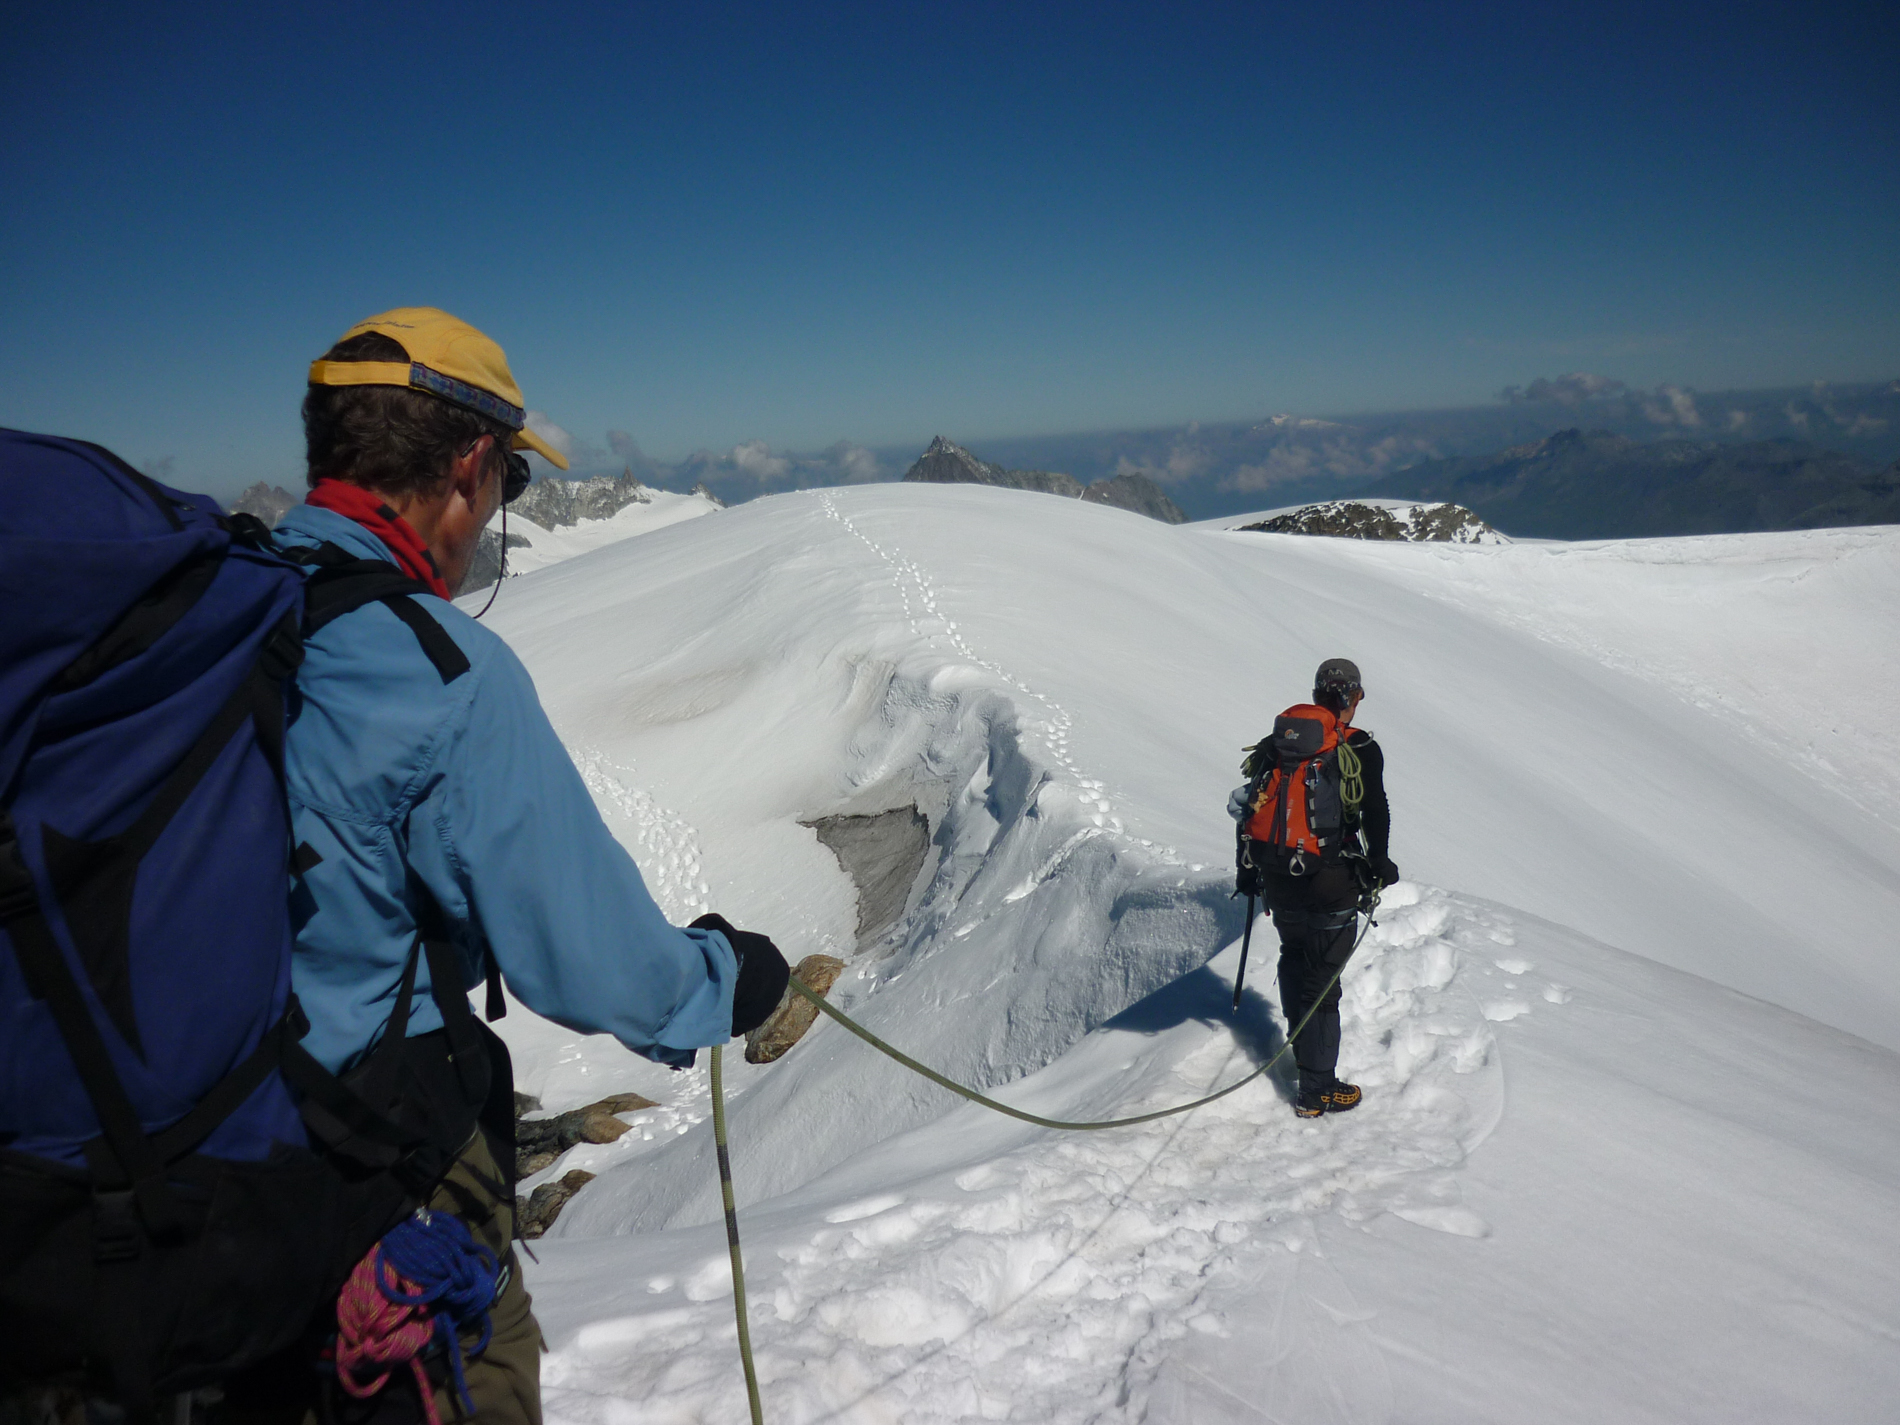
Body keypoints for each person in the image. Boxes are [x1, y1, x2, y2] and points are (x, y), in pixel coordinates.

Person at [227, 307, 792, 1424]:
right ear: (470, 465)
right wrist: (726, 980)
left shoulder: (215, 610)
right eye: (510, 483)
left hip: (161, 1171)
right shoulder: (441, 675)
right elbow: (586, 956)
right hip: (367, 1178)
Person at [1230, 658, 1397, 1119]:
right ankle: (1316, 1090)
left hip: (1278, 875)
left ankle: (1303, 1051)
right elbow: (1374, 810)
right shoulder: (1359, 747)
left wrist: (1247, 870)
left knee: (1294, 954)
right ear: (1352, 698)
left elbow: (1249, 807)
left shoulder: (1278, 744)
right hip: (1330, 878)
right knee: (1323, 981)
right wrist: (1379, 862)